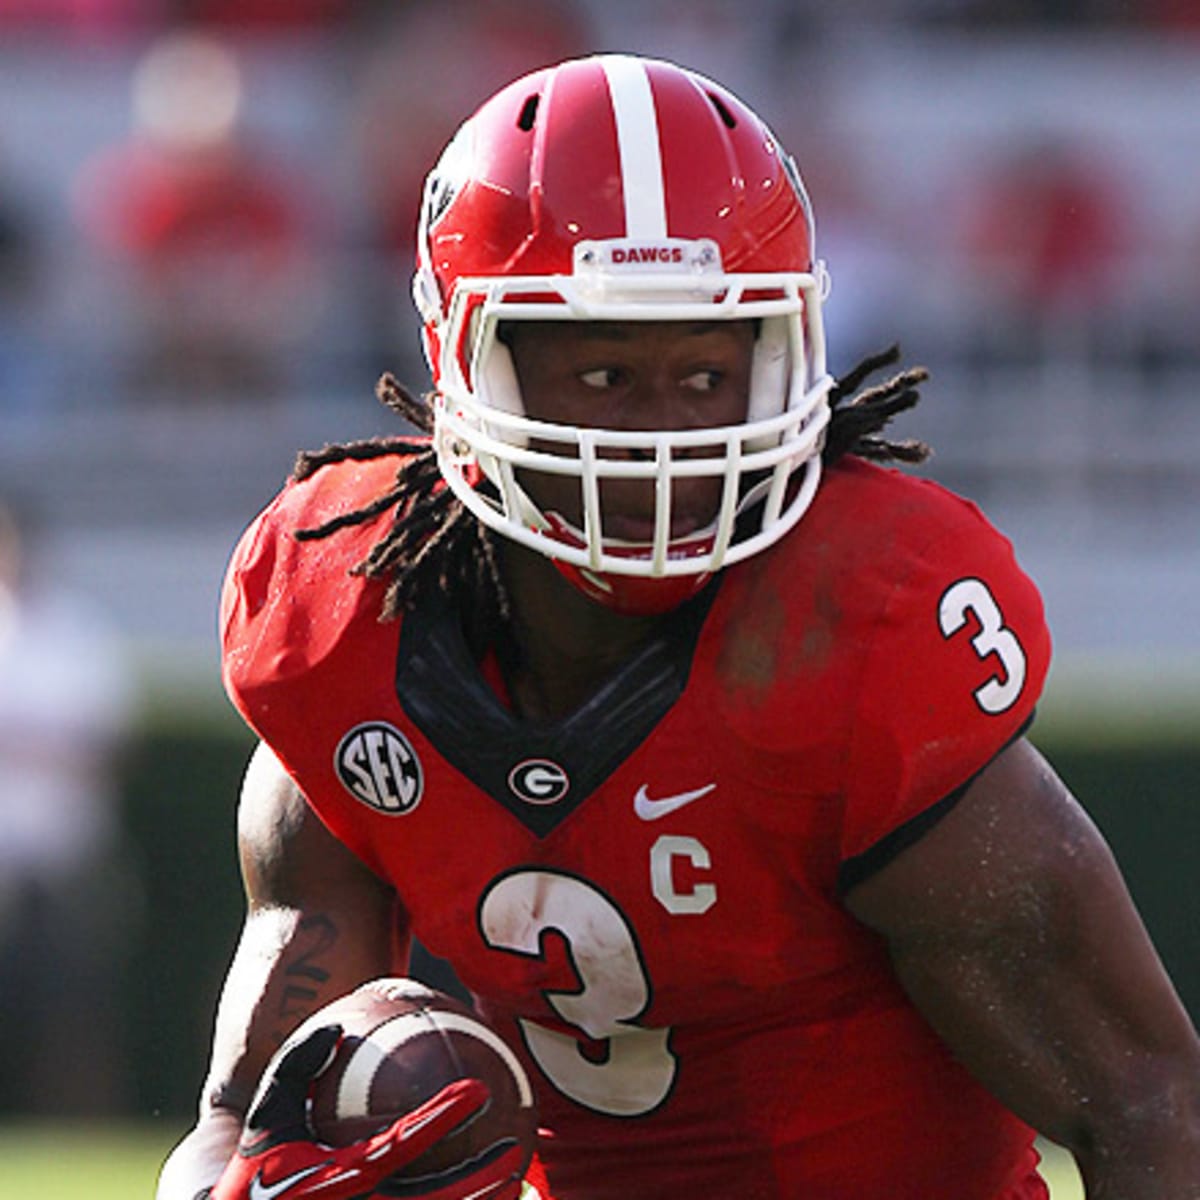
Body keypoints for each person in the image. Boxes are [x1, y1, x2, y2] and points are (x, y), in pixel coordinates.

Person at [158, 54, 1200, 1200]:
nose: (664, 447)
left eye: (706, 376)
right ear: (467, 356)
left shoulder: (852, 629)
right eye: (606, 373)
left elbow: (1147, 1100)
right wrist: (231, 1179)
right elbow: (240, 1110)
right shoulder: (353, 613)